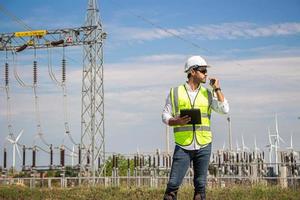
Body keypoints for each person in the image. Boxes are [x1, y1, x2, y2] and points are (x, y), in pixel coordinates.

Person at [162, 55, 229, 200]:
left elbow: (224, 109)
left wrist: (217, 88)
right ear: (193, 71)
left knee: (200, 189)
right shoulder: (175, 92)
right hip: (183, 146)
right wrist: (176, 121)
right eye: (203, 71)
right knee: (172, 188)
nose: (206, 74)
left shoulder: (208, 93)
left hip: (204, 145)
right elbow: (165, 116)